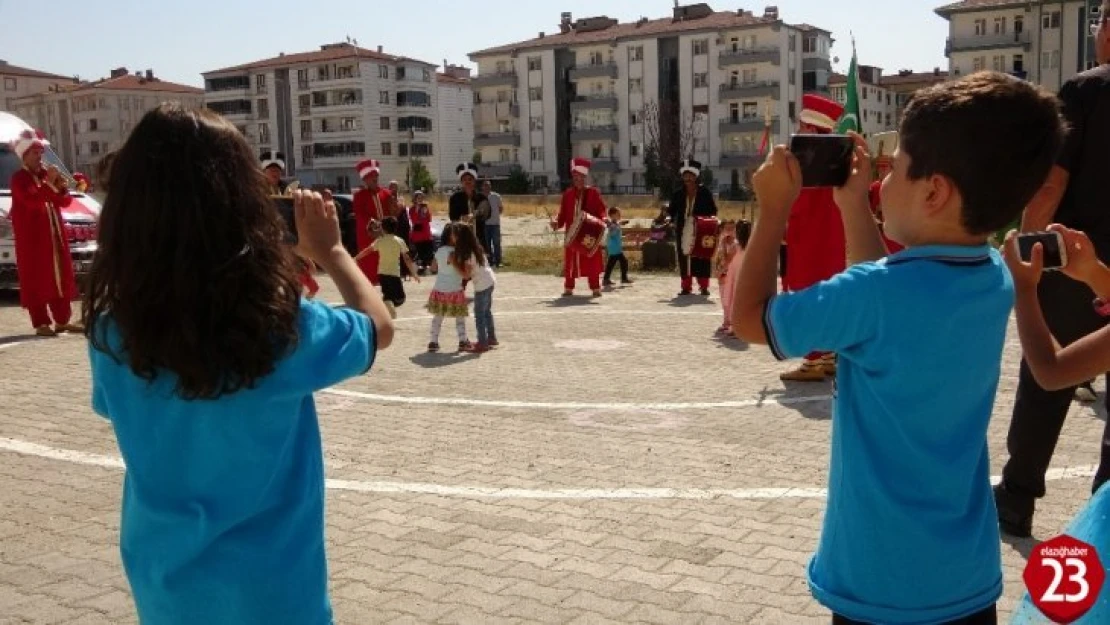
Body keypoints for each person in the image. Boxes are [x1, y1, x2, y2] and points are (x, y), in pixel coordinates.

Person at [732, 72, 1064, 624]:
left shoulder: (875, 295)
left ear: (934, 191)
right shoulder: (992, 277)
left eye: (897, 169)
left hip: (879, 586)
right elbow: (884, 293)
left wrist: (772, 211)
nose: (883, 182)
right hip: (964, 578)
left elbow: (749, 320)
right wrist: (853, 206)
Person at [82, 103, 394, 625]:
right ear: (241, 208)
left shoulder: (112, 332)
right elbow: (378, 326)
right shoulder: (281, 327)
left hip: (166, 590)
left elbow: (124, 413)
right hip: (275, 593)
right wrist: (333, 251)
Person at [994, 4, 1110, 538]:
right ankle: (1101, 520)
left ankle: (1017, 497)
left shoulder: (1087, 91)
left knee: (1046, 381)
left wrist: (1026, 247)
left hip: (1075, 260)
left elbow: (1051, 183)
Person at [778, 93, 849, 382]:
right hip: (830, 239)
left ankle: (813, 361)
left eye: (802, 125)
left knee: (807, 295)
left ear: (811, 129)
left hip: (809, 239)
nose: (798, 129)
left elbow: (799, 203)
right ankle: (830, 354)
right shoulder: (836, 159)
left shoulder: (807, 161)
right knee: (829, 296)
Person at [8, 128, 82, 336]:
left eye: (41, 153)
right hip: (32, 239)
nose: (40, 157)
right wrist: (49, 183)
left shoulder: (45, 175)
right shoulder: (19, 179)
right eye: (35, 153)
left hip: (54, 235)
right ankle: (41, 322)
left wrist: (61, 186)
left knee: (61, 274)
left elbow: (65, 202)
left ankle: (62, 320)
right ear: (24, 155)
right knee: (36, 276)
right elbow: (32, 201)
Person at [552, 157, 607, 297]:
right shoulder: (568, 194)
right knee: (570, 260)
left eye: (581, 177)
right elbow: (562, 214)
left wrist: (604, 219)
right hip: (572, 233)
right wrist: (556, 222)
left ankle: (595, 287)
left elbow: (601, 210)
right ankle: (568, 287)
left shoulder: (593, 193)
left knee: (591, 259)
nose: (578, 180)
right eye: (576, 177)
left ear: (585, 177)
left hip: (589, 233)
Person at [667, 158, 718, 296]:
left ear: (696, 176)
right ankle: (686, 286)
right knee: (684, 258)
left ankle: (703, 286)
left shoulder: (705, 192)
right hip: (683, 229)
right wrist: (669, 219)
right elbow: (671, 211)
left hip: (701, 229)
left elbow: (713, 210)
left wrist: (707, 221)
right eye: (685, 176)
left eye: (690, 176)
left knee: (701, 256)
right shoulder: (678, 193)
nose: (687, 178)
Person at [355, 216, 420, 319]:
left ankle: (385, 306)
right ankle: (386, 307)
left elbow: (368, 250)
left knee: (388, 295)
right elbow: (407, 259)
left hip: (382, 273)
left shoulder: (380, 241)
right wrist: (414, 273)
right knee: (400, 298)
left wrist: (356, 258)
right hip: (394, 273)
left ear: (383, 228)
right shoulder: (399, 241)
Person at [426, 223, 472, 353]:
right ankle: (463, 340)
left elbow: (433, 268)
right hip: (455, 289)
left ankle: (433, 341)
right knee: (460, 318)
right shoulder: (456, 252)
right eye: (455, 233)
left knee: (438, 317)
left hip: (440, 288)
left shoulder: (440, 251)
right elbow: (463, 271)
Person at [455, 225, 498, 352]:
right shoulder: (477, 248)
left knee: (479, 315)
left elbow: (467, 275)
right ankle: (491, 338)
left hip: (482, 285)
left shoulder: (467, 253)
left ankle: (483, 343)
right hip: (490, 280)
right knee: (486, 312)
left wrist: (455, 266)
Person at [352, 159, 392, 285]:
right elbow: (360, 215)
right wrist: (374, 224)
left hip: (385, 236)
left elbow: (391, 213)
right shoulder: (359, 196)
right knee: (369, 265)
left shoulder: (386, 193)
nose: (375, 179)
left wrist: (397, 210)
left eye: (376, 176)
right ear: (365, 179)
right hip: (369, 237)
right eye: (371, 177)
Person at [713, 220, 745, 336]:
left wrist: (721, 271)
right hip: (723, 274)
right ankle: (726, 322)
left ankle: (733, 324)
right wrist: (717, 271)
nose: (729, 231)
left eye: (732, 228)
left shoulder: (736, 244)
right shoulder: (722, 242)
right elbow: (718, 257)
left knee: (730, 300)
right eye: (727, 228)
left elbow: (729, 260)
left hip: (731, 274)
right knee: (724, 299)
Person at [869, 155, 904, 254]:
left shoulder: (897, 187)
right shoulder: (875, 186)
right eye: (880, 169)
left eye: (885, 168)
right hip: (883, 229)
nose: (882, 171)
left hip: (893, 231)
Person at [603, 206, 632, 287]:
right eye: (617, 213)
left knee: (611, 263)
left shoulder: (614, 224)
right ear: (612, 215)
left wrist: (625, 237)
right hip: (614, 247)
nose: (619, 215)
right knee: (623, 261)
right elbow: (612, 234)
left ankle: (606, 279)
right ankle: (623, 278)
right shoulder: (612, 224)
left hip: (615, 247)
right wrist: (617, 226)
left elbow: (616, 236)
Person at [408, 190, 435, 273]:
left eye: (421, 198)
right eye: (418, 198)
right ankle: (422, 268)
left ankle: (432, 267)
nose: (420, 199)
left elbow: (429, 219)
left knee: (429, 251)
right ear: (414, 199)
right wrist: (417, 209)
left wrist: (425, 212)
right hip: (418, 234)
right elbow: (415, 220)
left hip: (426, 233)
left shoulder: (424, 207)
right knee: (421, 252)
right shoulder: (412, 209)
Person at [482, 179, 504, 267]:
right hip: (485, 225)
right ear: (482, 187)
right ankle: (489, 261)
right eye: (485, 185)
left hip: (495, 224)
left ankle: (498, 261)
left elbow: (501, 208)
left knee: (496, 243)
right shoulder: (480, 197)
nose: (487, 187)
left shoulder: (496, 196)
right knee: (486, 244)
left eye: (488, 185)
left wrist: (495, 216)